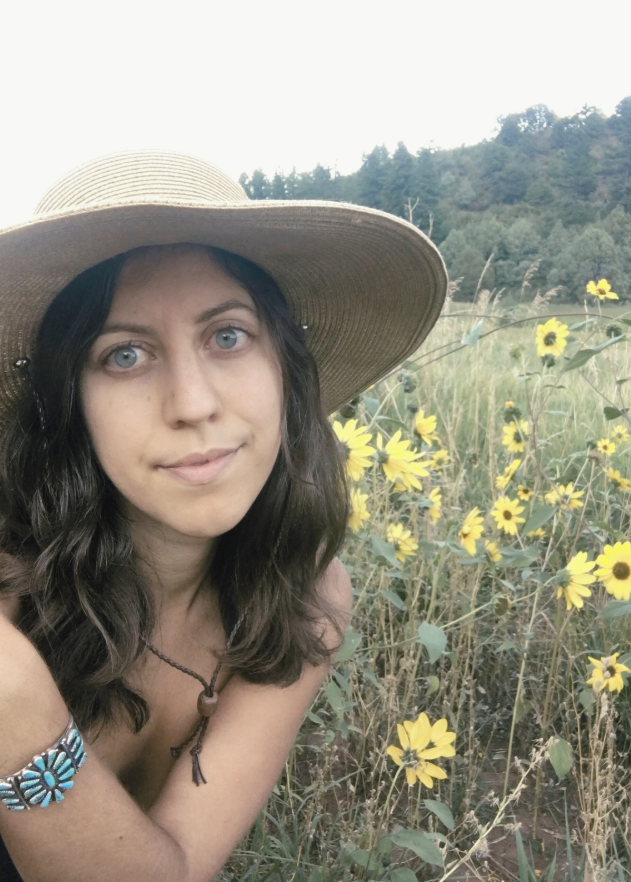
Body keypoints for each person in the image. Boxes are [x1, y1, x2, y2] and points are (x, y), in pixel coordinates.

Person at [0, 151, 447, 882]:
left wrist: (19, 714)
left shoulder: (304, 594)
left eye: (228, 335)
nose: (194, 403)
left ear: (284, 366)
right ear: (66, 405)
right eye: (125, 355)